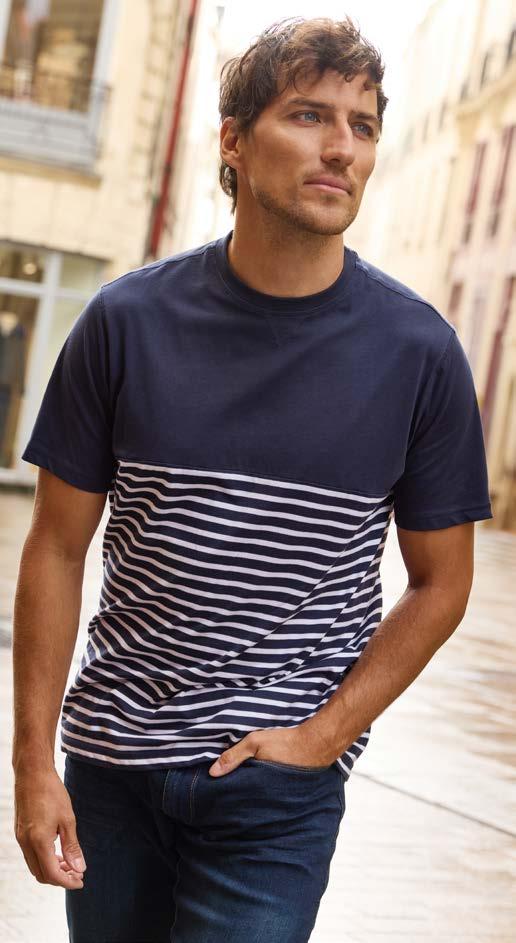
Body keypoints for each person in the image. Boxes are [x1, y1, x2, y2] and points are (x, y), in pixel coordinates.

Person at [12, 15, 493, 943]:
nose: (342, 147)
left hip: (277, 796)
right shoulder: (123, 322)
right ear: (233, 140)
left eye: (362, 125)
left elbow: (443, 583)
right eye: (310, 116)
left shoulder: (420, 353)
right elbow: (57, 548)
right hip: (113, 765)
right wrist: (33, 765)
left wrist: (322, 737)